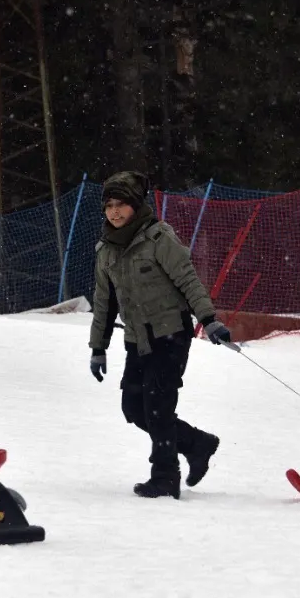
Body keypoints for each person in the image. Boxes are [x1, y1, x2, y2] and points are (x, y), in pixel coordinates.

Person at [88, 170, 232, 499]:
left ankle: (165, 476)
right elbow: (104, 302)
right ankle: (198, 444)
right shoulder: (106, 250)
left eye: (121, 204)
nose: (114, 212)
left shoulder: (158, 238)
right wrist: (98, 346)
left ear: (136, 206)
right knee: (134, 408)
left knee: (158, 405)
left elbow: (187, 279)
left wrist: (208, 319)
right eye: (109, 205)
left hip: (170, 333)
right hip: (137, 339)